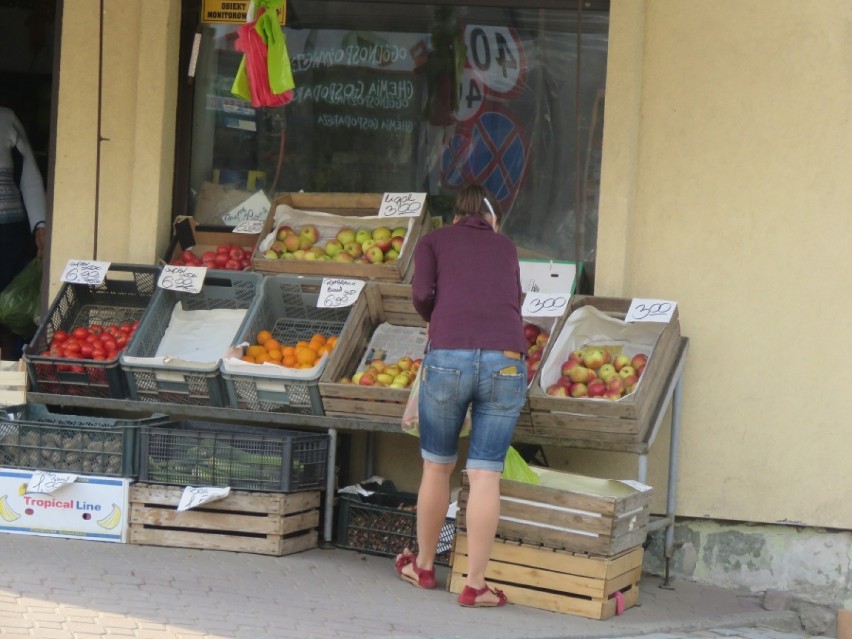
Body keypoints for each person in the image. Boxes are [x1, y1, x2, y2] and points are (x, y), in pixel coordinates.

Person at [396, 183, 527, 608]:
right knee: (486, 473)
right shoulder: (505, 247)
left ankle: (426, 566)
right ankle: (475, 585)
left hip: (448, 358)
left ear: (456, 216)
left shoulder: (434, 241)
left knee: (437, 467)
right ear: (493, 219)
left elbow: (421, 294)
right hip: (506, 360)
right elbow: (516, 300)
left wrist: (442, 319)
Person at [0, 106, 47, 360]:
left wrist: (40, 224)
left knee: (8, 310)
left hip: (7, 235)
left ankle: (6, 373)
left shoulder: (6, 119)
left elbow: (30, 176)